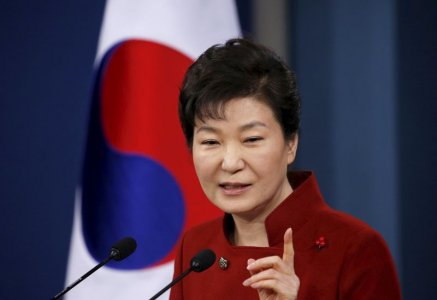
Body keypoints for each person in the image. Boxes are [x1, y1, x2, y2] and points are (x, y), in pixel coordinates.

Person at [169, 38, 401, 299]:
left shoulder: (355, 250)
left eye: (251, 139)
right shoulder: (196, 249)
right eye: (211, 142)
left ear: (291, 143)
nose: (231, 162)